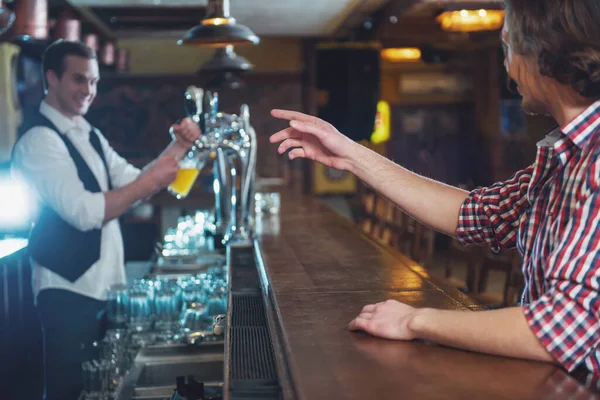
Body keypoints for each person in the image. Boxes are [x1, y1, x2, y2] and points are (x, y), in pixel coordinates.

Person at [270, 0, 600, 379]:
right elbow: (476, 214)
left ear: (545, 52)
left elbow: (557, 331)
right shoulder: (565, 156)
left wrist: (415, 321)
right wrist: (351, 155)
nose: (506, 65)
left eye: (508, 48)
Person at [10, 39, 201, 399]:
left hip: (104, 287)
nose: (89, 91)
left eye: (94, 82)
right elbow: (84, 212)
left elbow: (135, 183)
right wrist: (150, 181)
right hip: (67, 290)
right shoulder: (39, 141)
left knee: (101, 390)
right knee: (72, 391)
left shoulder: (89, 135)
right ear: (51, 78)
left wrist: (178, 147)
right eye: (79, 80)